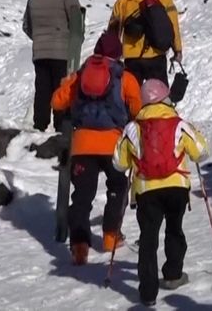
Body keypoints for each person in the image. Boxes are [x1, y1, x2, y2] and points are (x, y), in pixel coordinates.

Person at [113, 79, 209, 308]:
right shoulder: (178, 123)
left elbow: (118, 163)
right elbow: (202, 153)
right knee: (174, 229)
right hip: (176, 187)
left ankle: (148, 293)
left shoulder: (133, 127)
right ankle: (173, 274)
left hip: (147, 190)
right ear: (166, 98)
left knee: (148, 238)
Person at [51, 32, 143, 264]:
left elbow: (56, 101)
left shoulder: (81, 75)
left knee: (82, 196)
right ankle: (111, 237)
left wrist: (67, 86)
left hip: (82, 145)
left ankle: (79, 246)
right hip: (113, 144)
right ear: (118, 53)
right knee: (117, 187)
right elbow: (137, 109)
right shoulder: (125, 77)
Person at [23, 0, 83, 132]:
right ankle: (60, 125)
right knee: (61, 88)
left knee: (42, 89)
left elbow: (26, 26)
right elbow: (76, 25)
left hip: (40, 52)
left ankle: (39, 125)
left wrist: (39, 38)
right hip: (62, 52)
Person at [109, 0, 182, 86]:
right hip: (156, 55)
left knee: (131, 98)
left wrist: (111, 56)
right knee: (158, 97)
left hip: (131, 58)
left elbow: (113, 29)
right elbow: (173, 25)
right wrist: (177, 50)